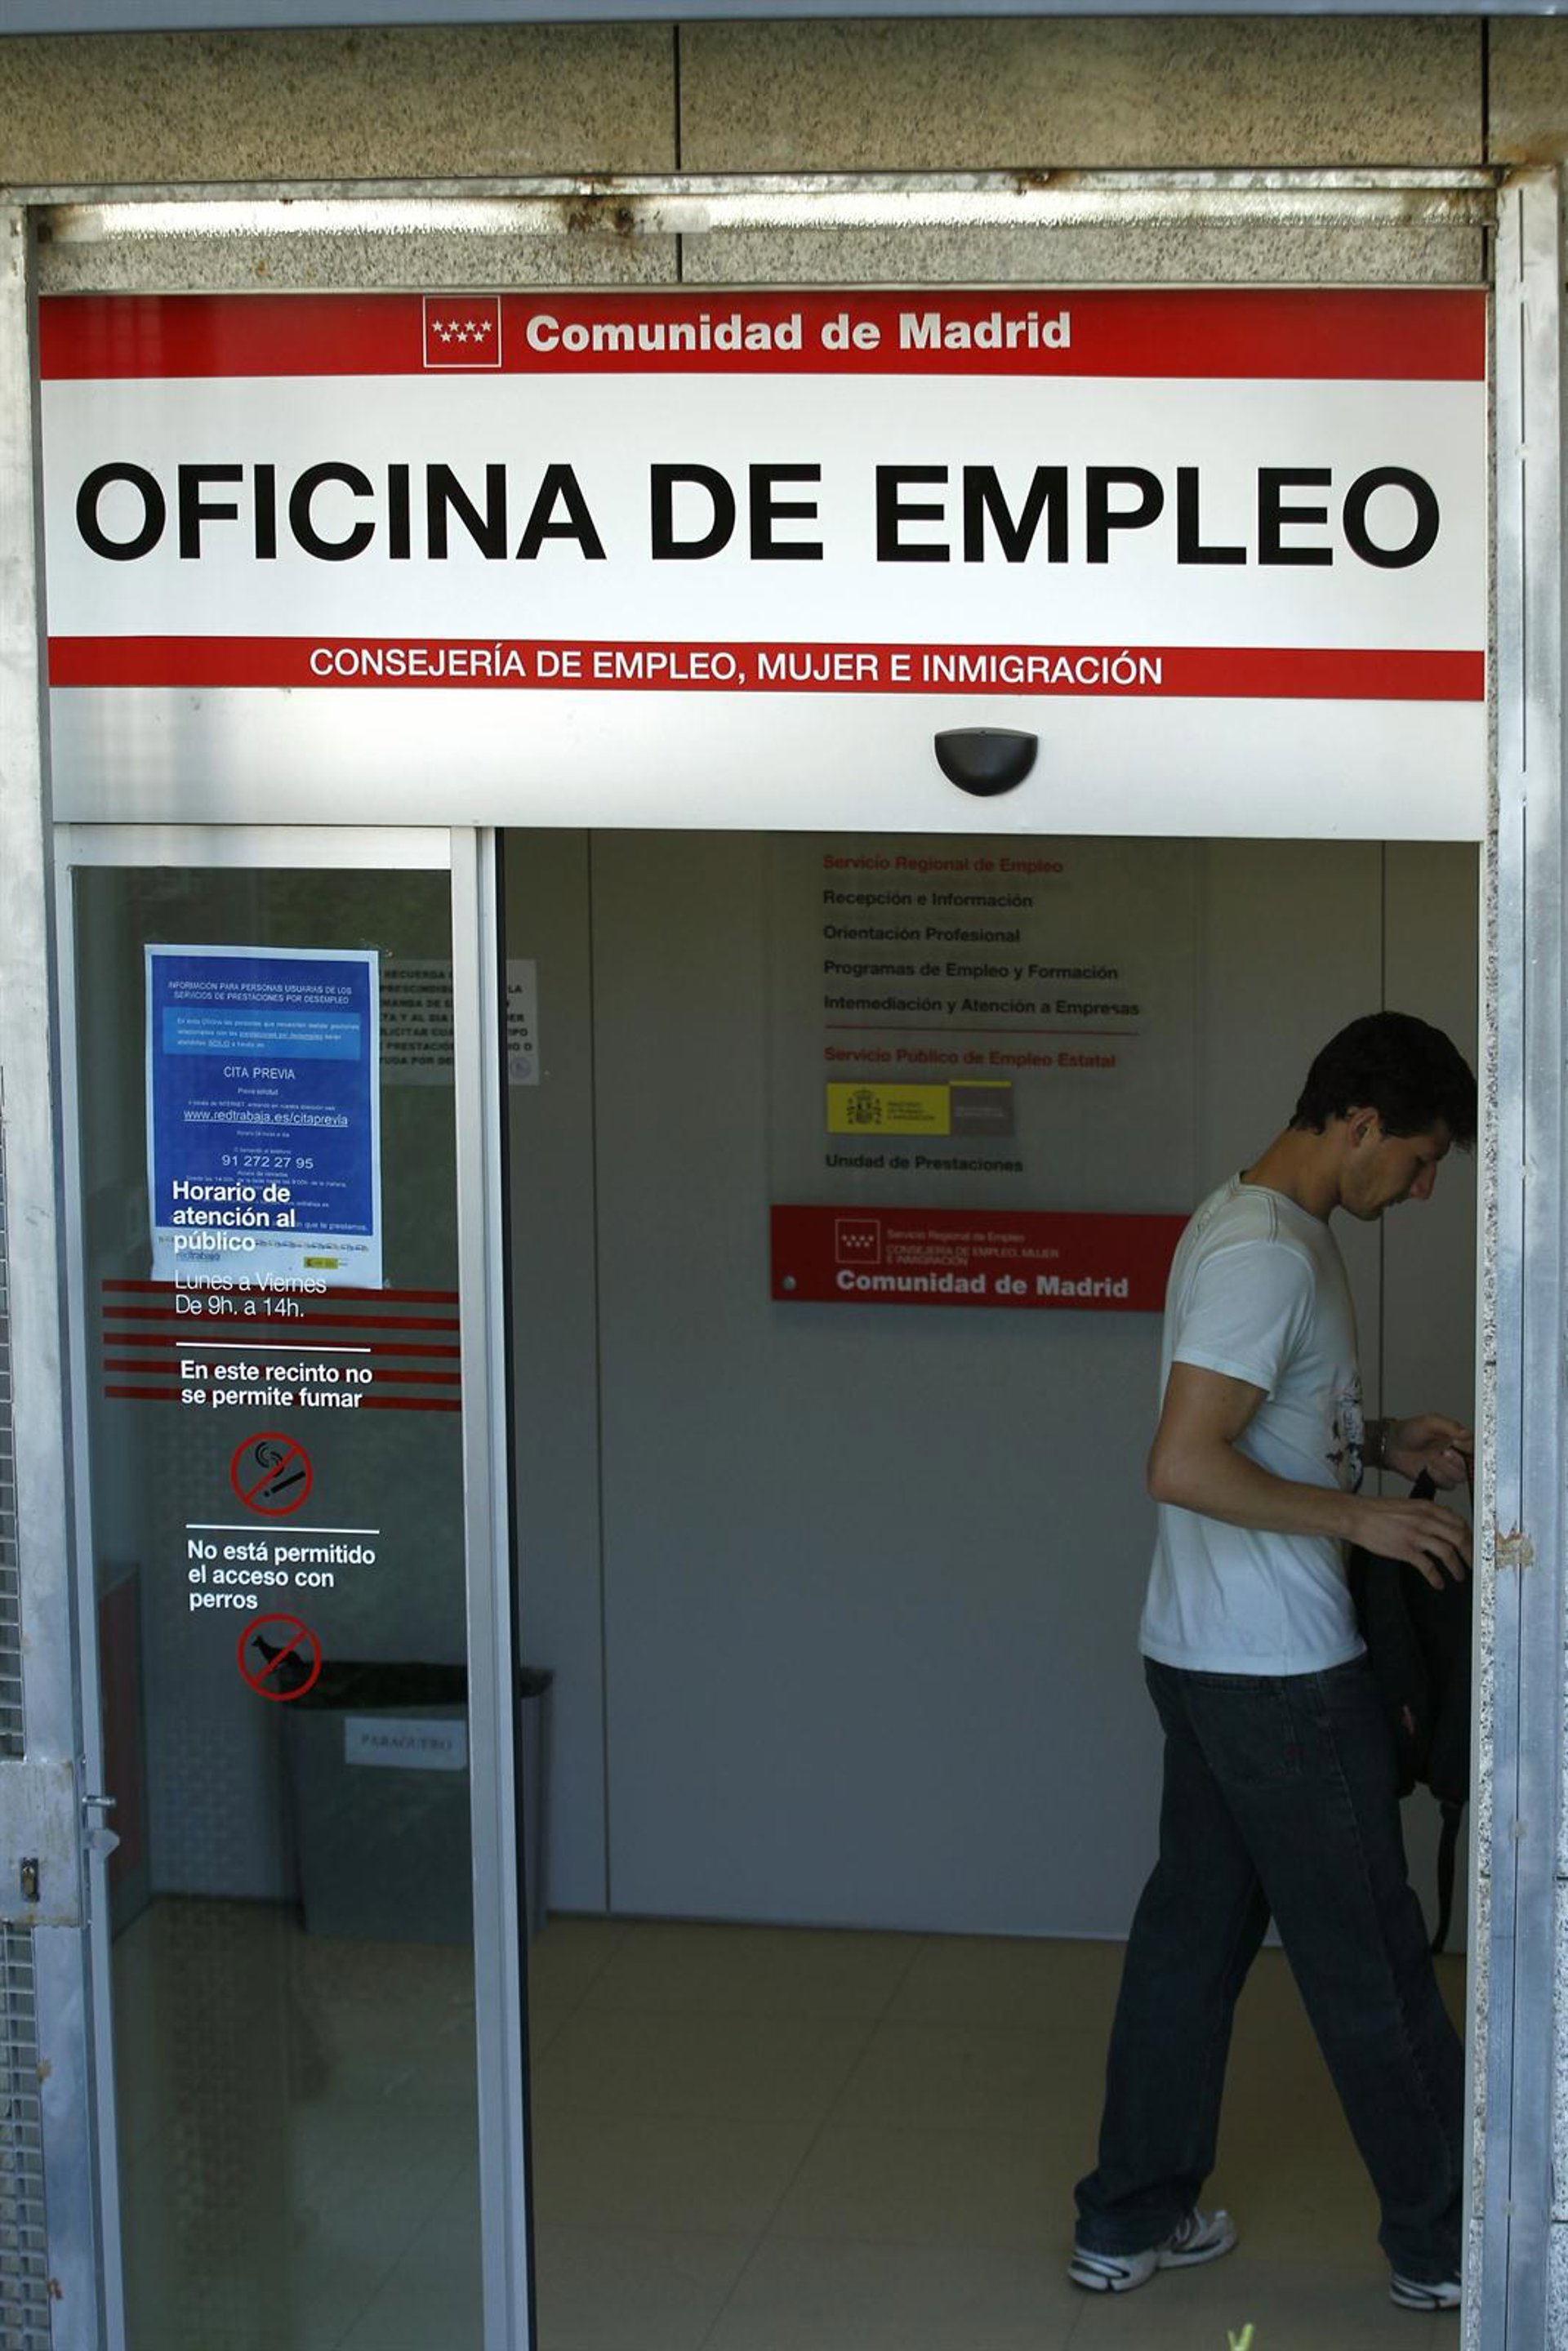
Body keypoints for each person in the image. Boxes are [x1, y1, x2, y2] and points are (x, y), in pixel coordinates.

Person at [1068, 1010, 1477, 2314]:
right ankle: (1451, 2248)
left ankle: (1129, 2219)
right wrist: (1364, 1519)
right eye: (1418, 1160)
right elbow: (1184, 1462)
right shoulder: (1263, 1254)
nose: (1421, 1189)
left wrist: (1380, 1440)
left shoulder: (1256, 1222)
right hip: (1280, 1678)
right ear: (1359, 1122)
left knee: (1190, 1944)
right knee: (1371, 1964)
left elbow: (1262, 1424)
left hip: (1204, 1657)